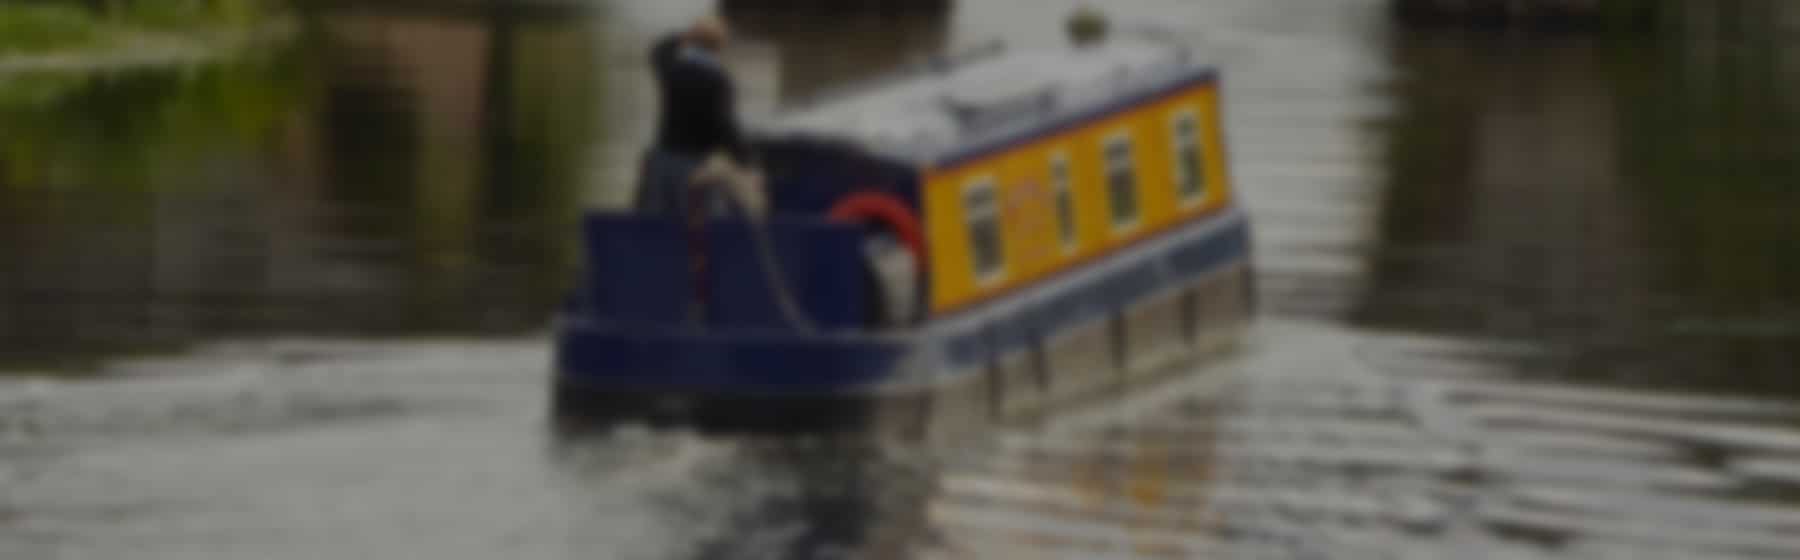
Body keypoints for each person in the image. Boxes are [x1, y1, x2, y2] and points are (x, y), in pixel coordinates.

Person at [637, 16, 759, 217]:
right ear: (720, 47)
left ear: (691, 42)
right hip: (694, 166)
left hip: (663, 161)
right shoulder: (718, 80)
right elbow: (723, 126)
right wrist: (746, 160)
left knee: (658, 223)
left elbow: (658, 50)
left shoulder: (672, 70)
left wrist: (685, 35)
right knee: (702, 222)